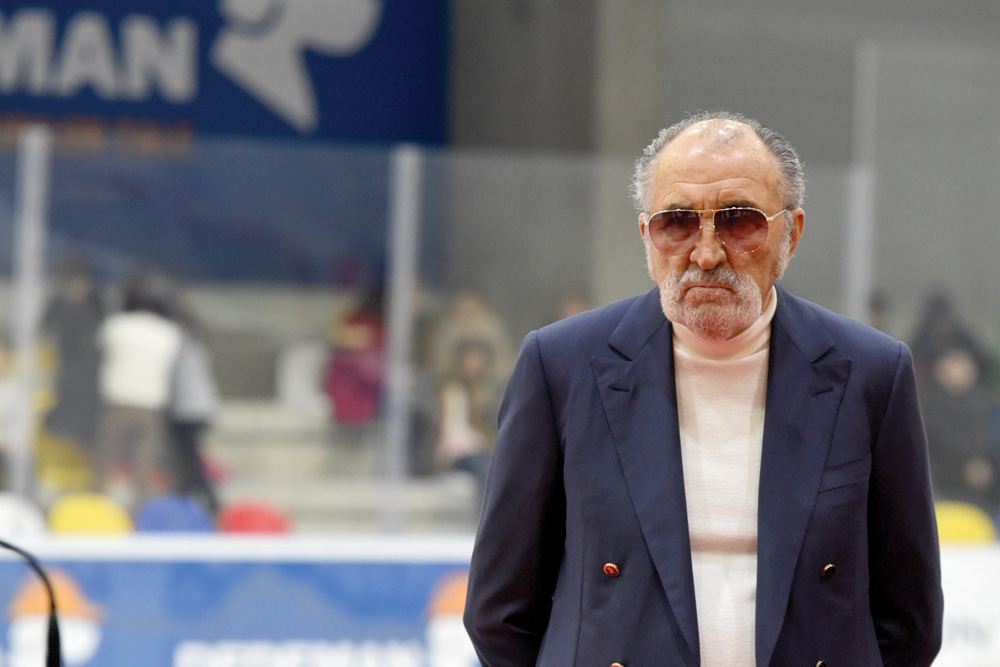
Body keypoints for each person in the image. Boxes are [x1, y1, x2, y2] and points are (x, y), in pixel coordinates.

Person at [464, 112, 943, 667]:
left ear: (792, 233)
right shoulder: (561, 367)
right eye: (677, 222)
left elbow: (910, 623)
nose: (707, 253)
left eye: (740, 222)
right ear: (646, 236)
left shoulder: (872, 373)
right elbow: (499, 612)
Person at [93, 268, 183, 508]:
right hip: (151, 407)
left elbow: (100, 347)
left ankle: (96, 507)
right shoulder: (169, 332)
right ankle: (141, 513)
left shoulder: (116, 326)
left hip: (119, 403)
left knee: (104, 461)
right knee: (144, 466)